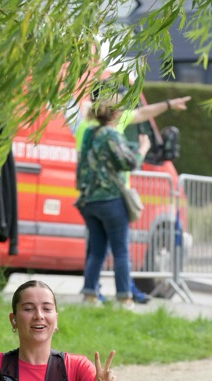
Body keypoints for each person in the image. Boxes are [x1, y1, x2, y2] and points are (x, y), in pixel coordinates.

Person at [76, 99, 151, 308]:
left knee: (96, 250)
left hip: (89, 200)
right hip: (110, 199)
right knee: (120, 251)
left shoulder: (89, 134)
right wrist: (143, 148)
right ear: (115, 114)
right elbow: (130, 162)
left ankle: (90, 296)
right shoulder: (112, 135)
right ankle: (124, 298)